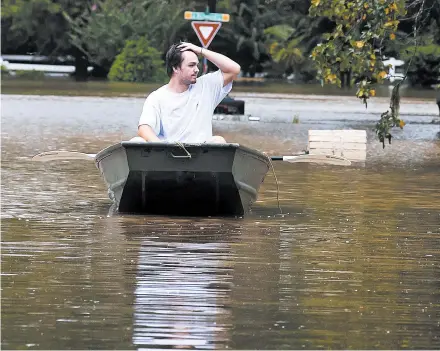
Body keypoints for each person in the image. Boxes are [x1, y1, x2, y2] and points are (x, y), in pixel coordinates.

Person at [137, 42, 241, 143]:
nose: (196, 70)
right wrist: (159, 144)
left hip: (202, 154)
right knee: (137, 141)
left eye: (197, 65)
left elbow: (234, 69)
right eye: (191, 65)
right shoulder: (157, 97)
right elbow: (144, 128)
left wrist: (201, 51)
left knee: (219, 140)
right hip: (168, 154)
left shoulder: (206, 86)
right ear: (175, 68)